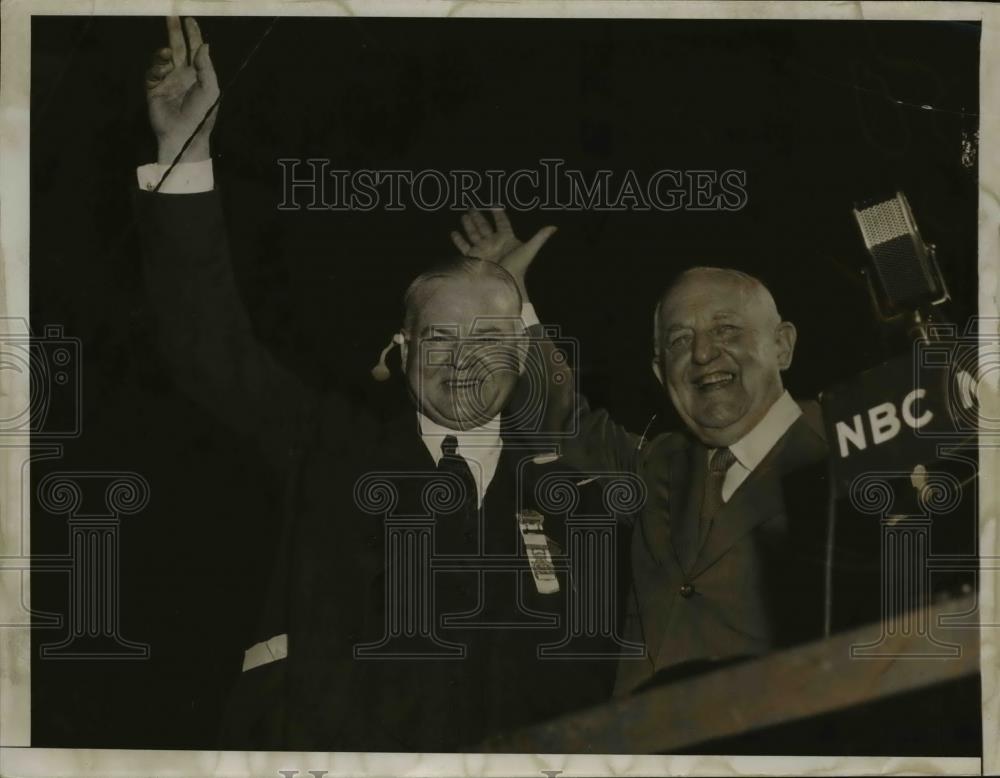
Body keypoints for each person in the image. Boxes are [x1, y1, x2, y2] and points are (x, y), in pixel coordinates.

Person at [136, 17, 628, 751]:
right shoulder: (330, 445)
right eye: (439, 336)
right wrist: (183, 152)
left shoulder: (571, 496)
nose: (464, 359)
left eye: (491, 338)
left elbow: (595, 688)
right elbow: (210, 349)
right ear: (401, 351)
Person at [452, 219, 833, 696]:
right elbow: (562, 423)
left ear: (782, 346)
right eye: (677, 341)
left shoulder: (850, 454)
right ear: (659, 372)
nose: (701, 353)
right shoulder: (660, 464)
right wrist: (510, 300)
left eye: (726, 329)